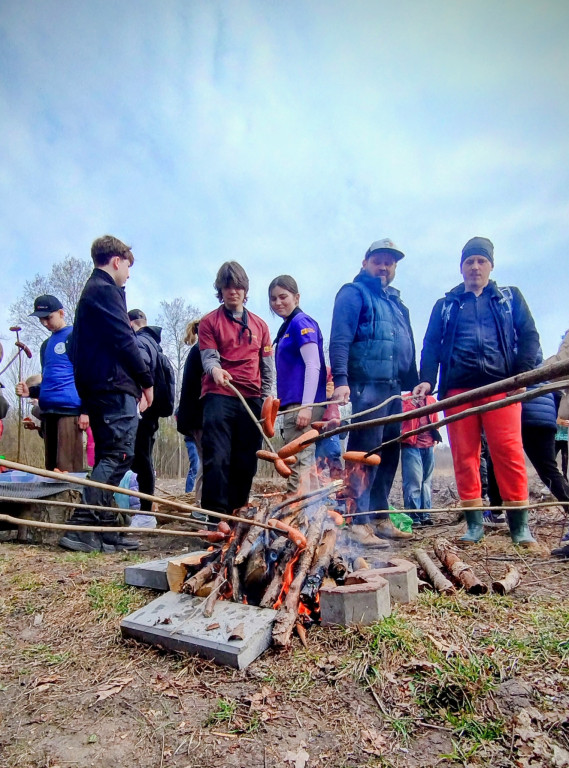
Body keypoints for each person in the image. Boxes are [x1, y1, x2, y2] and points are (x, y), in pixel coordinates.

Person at [414, 236, 540, 547]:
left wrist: (521, 375)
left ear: (491, 265)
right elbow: (431, 346)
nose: (475, 266)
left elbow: (529, 337)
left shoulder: (509, 298)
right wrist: (427, 379)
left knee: (508, 452)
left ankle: (519, 526)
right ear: (461, 267)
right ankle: (473, 524)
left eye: (481, 261)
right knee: (464, 456)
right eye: (469, 261)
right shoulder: (445, 305)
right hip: (458, 391)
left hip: (502, 387)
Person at [59, 235, 153, 553]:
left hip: (99, 388)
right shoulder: (104, 291)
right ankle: (83, 524)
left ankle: (104, 526)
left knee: (109, 457)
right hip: (113, 387)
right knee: (120, 455)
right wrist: (146, 381)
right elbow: (124, 339)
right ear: (116, 261)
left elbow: (76, 350)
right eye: (127, 267)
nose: (128, 274)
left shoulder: (93, 294)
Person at [330, 238, 418, 547]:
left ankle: (380, 517)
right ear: (365, 262)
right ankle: (356, 521)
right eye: (378, 260)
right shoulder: (354, 294)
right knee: (364, 455)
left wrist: (415, 382)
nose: (383, 266)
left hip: (394, 390)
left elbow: (405, 346)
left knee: (390, 452)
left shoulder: (396, 305)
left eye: (389, 262)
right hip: (366, 387)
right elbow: (340, 338)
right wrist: (340, 379)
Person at [199, 262, 273, 518]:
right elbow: (208, 357)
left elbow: (267, 366)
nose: (233, 292)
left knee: (246, 462)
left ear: (245, 289)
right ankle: (215, 518)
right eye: (228, 287)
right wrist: (216, 371)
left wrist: (267, 398)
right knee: (217, 458)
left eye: (238, 286)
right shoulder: (209, 322)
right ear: (221, 290)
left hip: (251, 399)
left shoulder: (261, 326)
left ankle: (237, 513)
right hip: (220, 396)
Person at [15, 295, 88, 471]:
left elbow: (87, 377)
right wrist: (30, 392)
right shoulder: (45, 345)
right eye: (41, 319)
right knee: (51, 469)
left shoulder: (75, 337)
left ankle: (70, 498)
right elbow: (48, 380)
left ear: (61, 313)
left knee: (67, 469)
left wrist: (86, 411)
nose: (45, 323)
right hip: (48, 413)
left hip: (69, 412)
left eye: (49, 317)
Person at [269, 275, 327, 495]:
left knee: (299, 463)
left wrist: (306, 406)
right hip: (292, 406)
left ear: (296, 297)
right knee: (306, 465)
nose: (278, 303)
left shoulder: (300, 322)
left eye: (283, 296)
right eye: (273, 299)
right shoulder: (286, 327)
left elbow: (313, 364)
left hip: (301, 406)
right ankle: (310, 516)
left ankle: (296, 512)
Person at [127, 308, 168, 528]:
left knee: (142, 460)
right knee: (142, 459)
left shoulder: (141, 342)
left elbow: (139, 366)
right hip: (149, 411)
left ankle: (144, 513)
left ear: (130, 322)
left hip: (142, 409)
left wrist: (143, 391)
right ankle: (141, 510)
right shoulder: (153, 342)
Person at [400, 394, 441, 526]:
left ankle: (425, 515)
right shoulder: (405, 400)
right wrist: (412, 403)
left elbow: (436, 420)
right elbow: (402, 419)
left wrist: (435, 439)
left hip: (428, 445)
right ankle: (414, 517)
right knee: (413, 482)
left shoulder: (431, 400)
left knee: (426, 483)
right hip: (411, 445)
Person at [177, 318, 204, 501]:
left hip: (196, 418)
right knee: (206, 463)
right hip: (199, 419)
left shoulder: (198, 350)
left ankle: (201, 504)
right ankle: (202, 506)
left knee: (204, 462)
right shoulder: (201, 351)